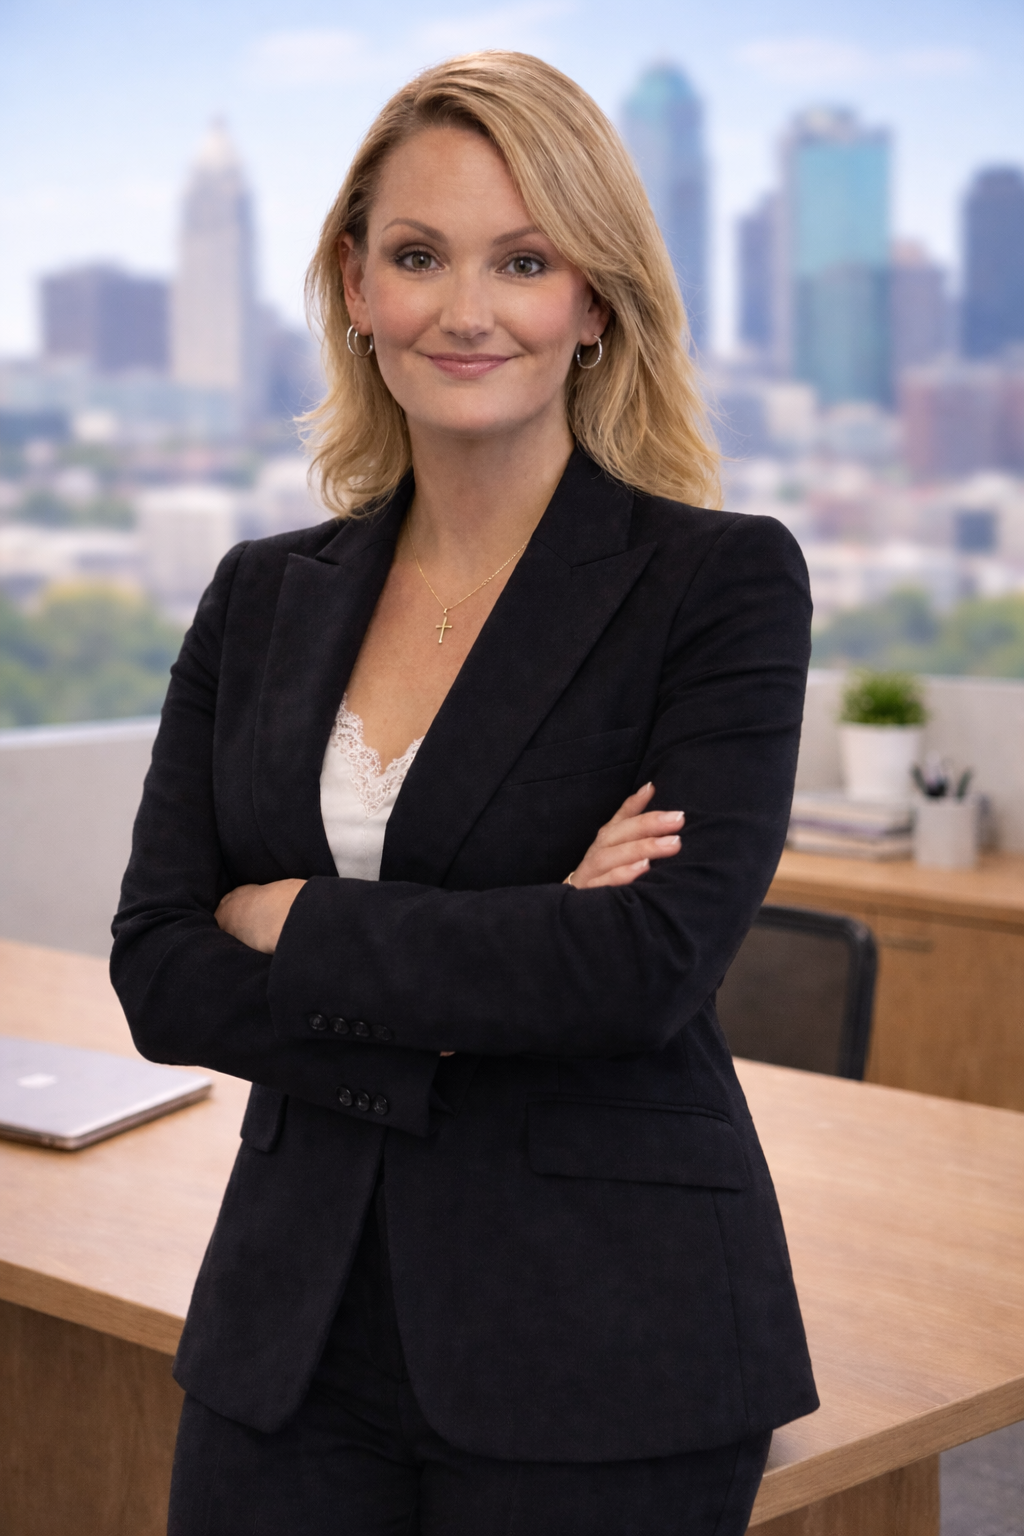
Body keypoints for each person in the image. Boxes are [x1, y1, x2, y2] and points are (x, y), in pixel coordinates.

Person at [112, 50, 818, 1536]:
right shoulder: (259, 596)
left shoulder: (717, 583)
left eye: (526, 261)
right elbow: (160, 968)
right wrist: (512, 945)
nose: (466, 309)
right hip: (289, 1322)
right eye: (420, 256)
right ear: (356, 287)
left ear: (595, 302)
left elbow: (641, 967)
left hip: (604, 1326)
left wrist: (290, 919)